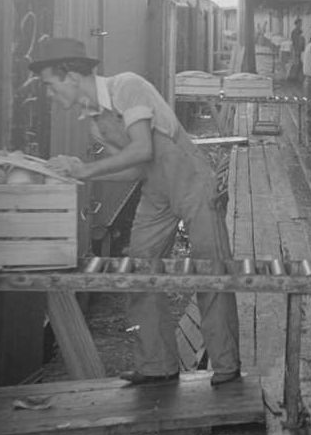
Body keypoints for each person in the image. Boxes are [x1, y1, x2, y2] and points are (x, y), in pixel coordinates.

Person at [32, 37, 241, 387]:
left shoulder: (126, 87)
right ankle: (157, 365)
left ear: (71, 75)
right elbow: (136, 169)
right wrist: (78, 173)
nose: (50, 95)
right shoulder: (96, 123)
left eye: (50, 85)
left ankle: (226, 365)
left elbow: (143, 148)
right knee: (140, 269)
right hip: (156, 190)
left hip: (191, 180)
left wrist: (86, 168)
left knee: (211, 269)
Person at [288, 18, 305, 83]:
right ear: (296, 24)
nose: (300, 25)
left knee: (298, 63)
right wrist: (296, 50)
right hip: (296, 50)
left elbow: (301, 41)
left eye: (301, 23)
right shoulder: (294, 32)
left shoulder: (300, 31)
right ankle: (292, 78)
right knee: (296, 63)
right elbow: (295, 42)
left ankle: (296, 77)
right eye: (299, 23)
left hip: (299, 50)